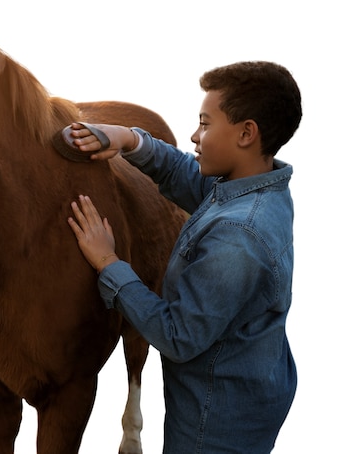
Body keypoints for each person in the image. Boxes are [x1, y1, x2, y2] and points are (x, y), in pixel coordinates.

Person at [67, 61, 301, 453]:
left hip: (216, 419)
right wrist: (129, 139)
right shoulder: (255, 188)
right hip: (251, 381)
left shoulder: (238, 238)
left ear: (247, 133)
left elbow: (178, 336)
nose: (194, 135)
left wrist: (109, 264)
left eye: (206, 124)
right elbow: (193, 180)